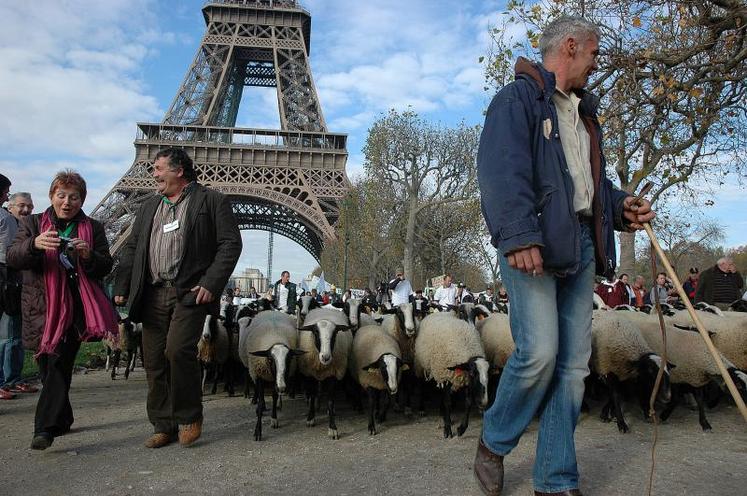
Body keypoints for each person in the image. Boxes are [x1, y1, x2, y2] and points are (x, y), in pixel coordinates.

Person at [475, 16, 654, 496]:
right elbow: (500, 169)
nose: (596, 66)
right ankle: (493, 440)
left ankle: (555, 480)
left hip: (579, 242)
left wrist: (620, 207)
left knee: (574, 368)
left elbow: (586, 186)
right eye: (595, 55)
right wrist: (517, 236)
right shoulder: (516, 101)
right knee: (539, 355)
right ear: (571, 47)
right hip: (534, 241)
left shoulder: (583, 114)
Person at [113, 147, 242, 449]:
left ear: (179, 170)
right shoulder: (148, 207)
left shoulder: (211, 201)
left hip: (189, 292)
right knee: (154, 361)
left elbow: (230, 244)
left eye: (158, 168)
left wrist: (211, 282)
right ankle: (163, 424)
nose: (154, 174)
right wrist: (122, 284)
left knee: (177, 351)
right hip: (152, 292)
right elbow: (133, 249)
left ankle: (188, 416)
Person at [8, 171, 119, 450]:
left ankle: (44, 429)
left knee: (58, 364)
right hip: (41, 308)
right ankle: (63, 416)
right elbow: (13, 256)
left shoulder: (93, 227)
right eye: (62, 195)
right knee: (49, 370)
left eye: (74, 197)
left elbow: (106, 265)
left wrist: (88, 255)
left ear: (82, 199)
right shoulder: (33, 223)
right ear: (51, 197)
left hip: (77, 308)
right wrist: (34, 245)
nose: (67, 201)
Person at [1, 193, 37, 397]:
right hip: (8, 282)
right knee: (9, 335)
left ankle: (13, 379)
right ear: (10, 206)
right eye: (22, 206)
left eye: (29, 206)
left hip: (19, 283)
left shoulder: (26, 227)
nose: (26, 210)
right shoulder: (6, 223)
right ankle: (6, 381)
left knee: (16, 335)